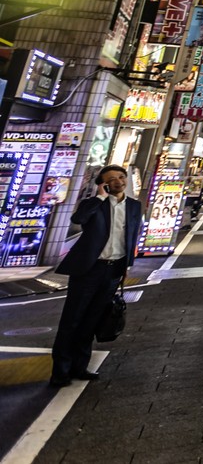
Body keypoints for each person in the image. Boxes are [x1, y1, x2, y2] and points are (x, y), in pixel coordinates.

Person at [50, 165, 143, 388]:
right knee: (72, 320)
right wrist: (100, 198)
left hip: (113, 270)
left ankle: (80, 366)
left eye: (121, 177)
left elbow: (131, 236)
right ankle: (60, 371)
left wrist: (126, 266)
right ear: (103, 184)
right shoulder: (94, 205)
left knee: (92, 320)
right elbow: (79, 219)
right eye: (112, 179)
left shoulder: (134, 206)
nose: (119, 182)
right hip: (89, 269)